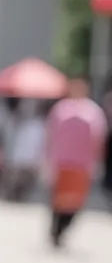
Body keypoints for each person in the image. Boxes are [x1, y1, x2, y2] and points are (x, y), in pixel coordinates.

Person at [44, 78, 108, 245]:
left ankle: (64, 228)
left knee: (75, 201)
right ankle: (55, 230)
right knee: (59, 200)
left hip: (82, 164)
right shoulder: (61, 109)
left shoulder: (93, 112)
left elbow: (98, 139)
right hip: (62, 162)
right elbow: (51, 135)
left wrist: (98, 162)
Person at [3, 99, 46, 201]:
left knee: (26, 178)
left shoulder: (39, 124)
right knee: (15, 177)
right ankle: (13, 195)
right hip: (18, 155)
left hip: (30, 156)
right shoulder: (17, 120)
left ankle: (21, 196)